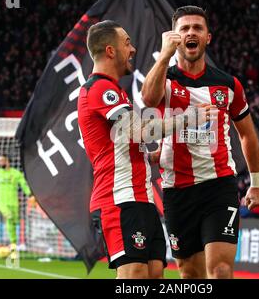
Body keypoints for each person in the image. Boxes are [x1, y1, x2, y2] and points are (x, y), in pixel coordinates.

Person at [77, 20, 214, 279]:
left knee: (154, 275)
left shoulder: (115, 92)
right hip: (118, 198)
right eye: (127, 42)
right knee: (135, 277)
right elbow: (140, 131)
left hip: (142, 200)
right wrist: (189, 118)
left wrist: (153, 154)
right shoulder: (99, 89)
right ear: (110, 51)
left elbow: (126, 143)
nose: (133, 49)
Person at [141, 6, 259, 279]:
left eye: (197, 28)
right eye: (184, 29)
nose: (191, 33)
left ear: (208, 37)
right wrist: (164, 55)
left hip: (218, 185)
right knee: (189, 274)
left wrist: (257, 183)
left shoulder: (228, 85)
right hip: (177, 189)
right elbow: (148, 100)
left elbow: (247, 134)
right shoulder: (165, 78)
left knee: (220, 270)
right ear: (175, 36)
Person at [0, 154, 35, 253]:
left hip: (14, 203)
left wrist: (30, 195)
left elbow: (23, 185)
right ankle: (13, 243)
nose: (0, 162)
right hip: (2, 202)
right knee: (9, 217)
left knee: (14, 223)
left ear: (8, 161)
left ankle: (13, 244)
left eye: (2, 160)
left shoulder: (16, 173)